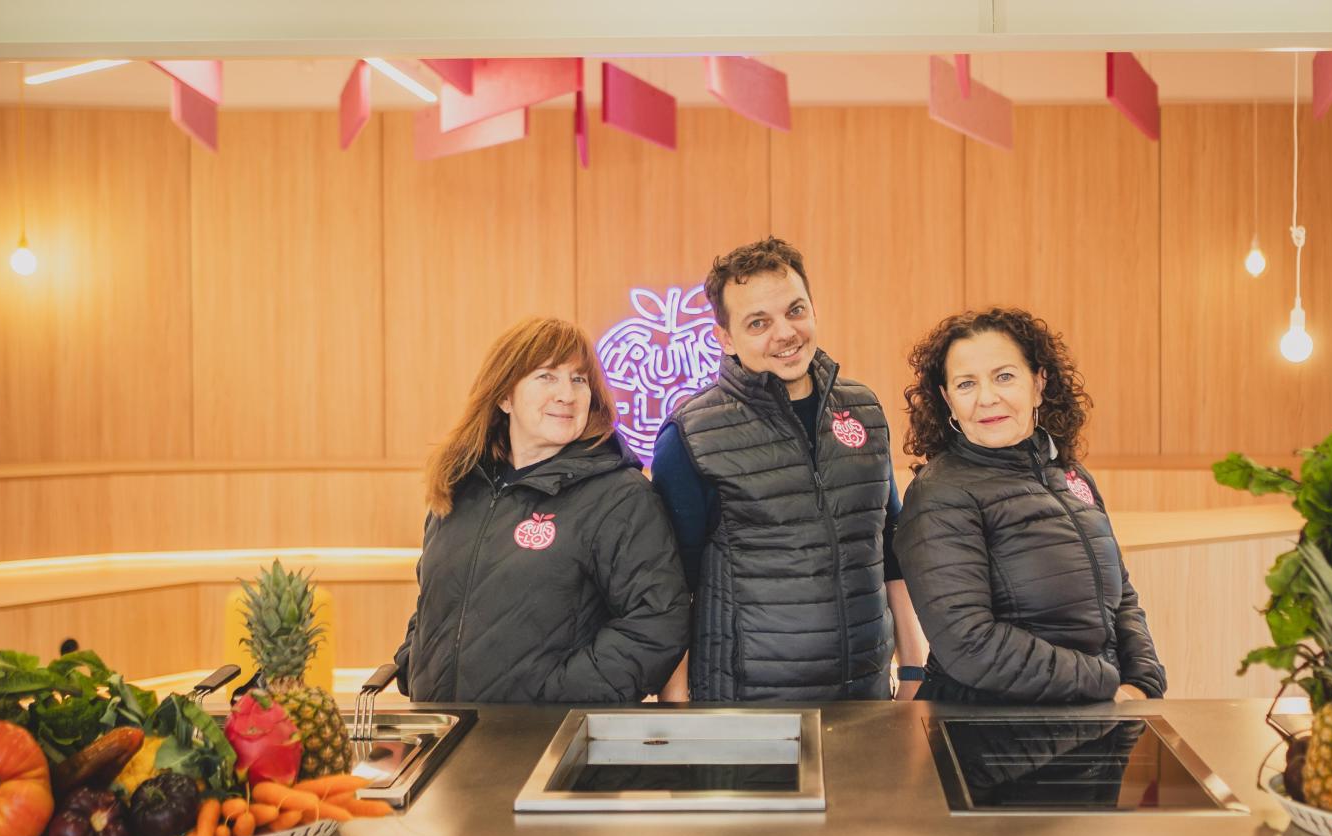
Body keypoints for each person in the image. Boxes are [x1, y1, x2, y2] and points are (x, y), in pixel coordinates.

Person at [651, 237, 929, 701]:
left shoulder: (863, 408)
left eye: (795, 311)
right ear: (725, 338)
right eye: (758, 322)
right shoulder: (691, 436)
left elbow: (887, 542)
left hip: (866, 698)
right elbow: (674, 584)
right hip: (747, 709)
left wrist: (914, 668)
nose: (784, 333)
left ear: (813, 310)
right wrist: (675, 707)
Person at [394, 317, 689, 702]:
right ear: (505, 397)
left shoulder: (620, 496)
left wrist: (559, 697)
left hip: (551, 735)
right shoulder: (459, 486)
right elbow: (434, 598)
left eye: (579, 379)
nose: (567, 394)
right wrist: (412, 661)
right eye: (547, 376)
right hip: (444, 728)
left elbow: (657, 621)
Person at [894, 307, 1167, 703]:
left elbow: (1120, 596)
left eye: (1004, 376)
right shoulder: (939, 494)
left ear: (1039, 384)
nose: (987, 398)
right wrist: (1107, 686)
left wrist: (1143, 681)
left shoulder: (1070, 474)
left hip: (1092, 714)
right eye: (966, 384)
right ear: (948, 400)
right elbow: (969, 643)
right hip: (991, 727)